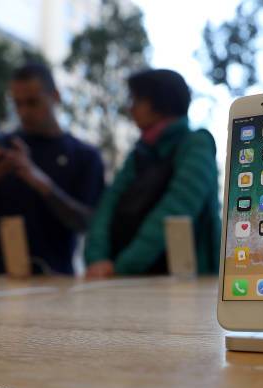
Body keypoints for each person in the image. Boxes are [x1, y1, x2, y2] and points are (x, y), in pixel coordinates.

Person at [0, 63, 105, 274]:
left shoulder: (84, 156)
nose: (24, 112)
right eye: (17, 103)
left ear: (55, 96)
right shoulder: (1, 148)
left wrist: (40, 182)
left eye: (32, 102)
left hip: (53, 280)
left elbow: (87, 223)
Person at [84, 69, 220, 277]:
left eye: (137, 100)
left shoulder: (196, 144)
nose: (131, 108)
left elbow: (176, 209)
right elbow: (108, 205)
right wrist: (97, 258)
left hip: (187, 283)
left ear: (160, 103)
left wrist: (120, 267)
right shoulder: (140, 152)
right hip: (128, 280)